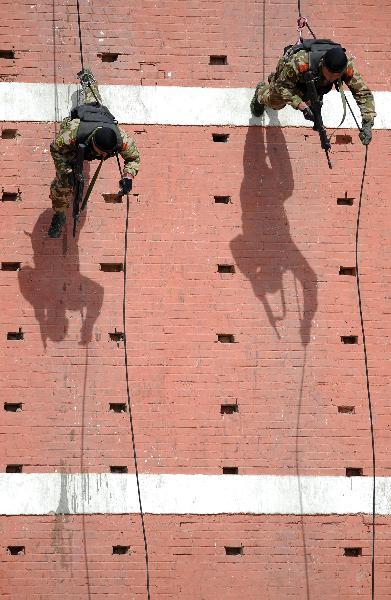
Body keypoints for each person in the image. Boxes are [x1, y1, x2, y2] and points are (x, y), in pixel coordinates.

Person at [48, 69, 140, 238]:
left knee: (94, 101)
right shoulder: (73, 134)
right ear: (93, 143)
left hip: (100, 119)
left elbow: (134, 158)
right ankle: (59, 213)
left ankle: (88, 80)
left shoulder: (122, 139)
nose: (104, 156)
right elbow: (55, 149)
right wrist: (65, 171)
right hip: (75, 146)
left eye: (108, 153)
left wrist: (128, 177)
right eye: (101, 153)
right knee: (63, 185)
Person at [250, 40, 375, 146]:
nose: (332, 78)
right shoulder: (301, 62)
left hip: (313, 85)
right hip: (292, 78)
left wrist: (367, 123)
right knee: (276, 103)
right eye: (330, 74)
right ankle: (261, 93)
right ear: (323, 64)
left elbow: (363, 93)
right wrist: (300, 105)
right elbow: (282, 87)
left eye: (336, 76)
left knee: (314, 104)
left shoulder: (347, 66)